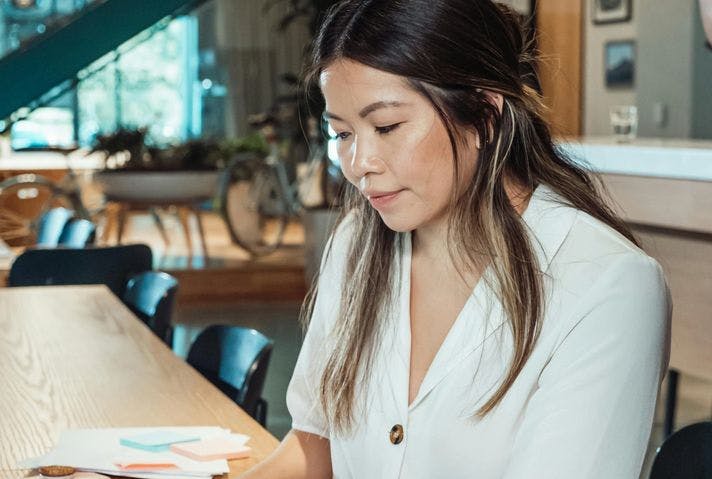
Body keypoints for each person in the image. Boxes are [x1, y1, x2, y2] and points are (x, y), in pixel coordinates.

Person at [240, 1, 671, 477]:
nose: (359, 163)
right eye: (341, 134)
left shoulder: (608, 286)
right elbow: (313, 444)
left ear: (485, 115)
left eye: (386, 127)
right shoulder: (357, 241)